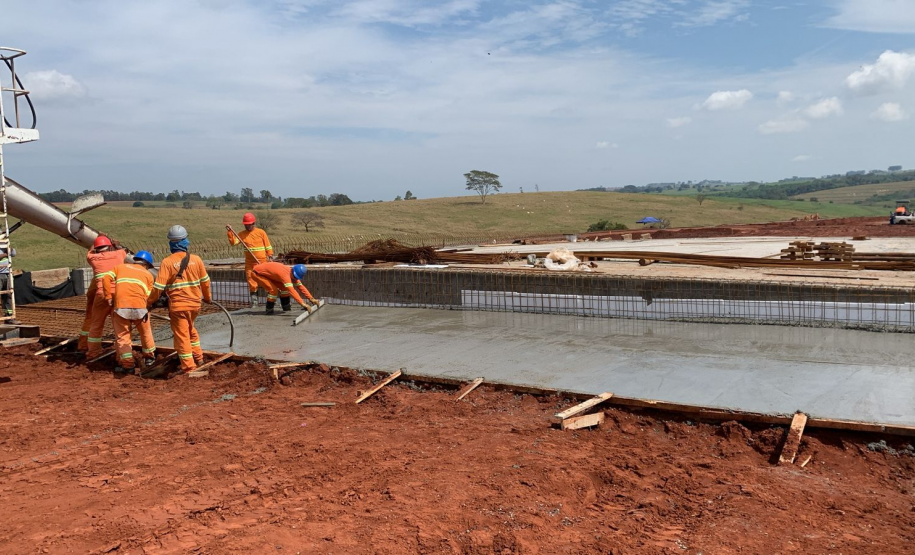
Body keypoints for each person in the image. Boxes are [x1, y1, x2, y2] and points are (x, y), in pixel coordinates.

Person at [147, 225, 212, 374]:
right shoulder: (196, 259)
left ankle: (189, 367)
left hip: (178, 307)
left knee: (182, 336)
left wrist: (149, 302)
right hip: (195, 305)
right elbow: (206, 283)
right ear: (185, 241)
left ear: (171, 243)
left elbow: (158, 287)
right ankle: (199, 357)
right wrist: (207, 298)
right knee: (191, 330)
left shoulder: (167, 262)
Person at [101, 251, 157, 374]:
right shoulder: (148, 275)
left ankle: (128, 366)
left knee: (123, 337)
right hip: (141, 308)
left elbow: (106, 278)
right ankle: (149, 359)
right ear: (147, 265)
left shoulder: (120, 267)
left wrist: (108, 297)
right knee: (146, 333)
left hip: (121, 307)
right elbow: (149, 296)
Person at [84, 236, 129, 357]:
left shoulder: (93, 258)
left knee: (96, 324)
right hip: (118, 295)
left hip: (102, 295)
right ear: (109, 247)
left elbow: (90, 252)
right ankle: (123, 356)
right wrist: (114, 244)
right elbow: (123, 250)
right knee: (120, 327)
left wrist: (95, 240)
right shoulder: (119, 254)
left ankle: (93, 352)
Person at [226, 212, 273, 308]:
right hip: (250, 263)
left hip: (262, 262)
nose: (247, 227)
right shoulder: (241, 234)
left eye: (249, 225)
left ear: (253, 223)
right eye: (246, 225)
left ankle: (272, 300)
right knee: (251, 281)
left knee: (266, 280)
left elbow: (267, 245)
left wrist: (270, 255)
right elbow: (234, 243)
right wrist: (230, 232)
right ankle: (254, 302)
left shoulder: (261, 232)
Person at [250, 261, 317, 314]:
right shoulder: (285, 276)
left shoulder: (292, 273)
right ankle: (269, 310)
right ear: (293, 273)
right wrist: (303, 304)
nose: (295, 279)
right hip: (257, 274)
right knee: (273, 291)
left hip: (269, 275)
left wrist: (311, 298)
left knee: (284, 289)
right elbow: (292, 291)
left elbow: (301, 286)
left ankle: (286, 308)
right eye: (295, 277)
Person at [0, 245, 18, 324]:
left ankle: (9, 317)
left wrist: (9, 248)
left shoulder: (5, 245)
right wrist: (5, 254)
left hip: (7, 273)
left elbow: (14, 253)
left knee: (8, 296)